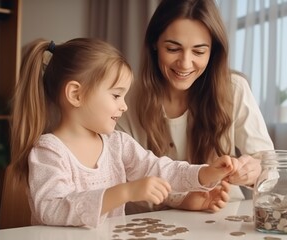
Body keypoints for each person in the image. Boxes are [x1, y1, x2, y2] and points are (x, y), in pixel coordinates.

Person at [10, 37, 238, 228]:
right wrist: (125, 192)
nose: (124, 106)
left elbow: (159, 168)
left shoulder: (116, 143)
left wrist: (204, 174)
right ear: (76, 95)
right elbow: (52, 209)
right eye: (116, 95)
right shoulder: (49, 150)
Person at [116, 0, 274, 214]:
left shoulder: (234, 89)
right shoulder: (124, 97)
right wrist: (182, 199)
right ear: (154, 43)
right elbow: (120, 180)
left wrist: (254, 173)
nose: (185, 63)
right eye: (173, 49)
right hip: (150, 223)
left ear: (213, 51)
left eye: (199, 52)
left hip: (222, 219)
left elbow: (270, 166)